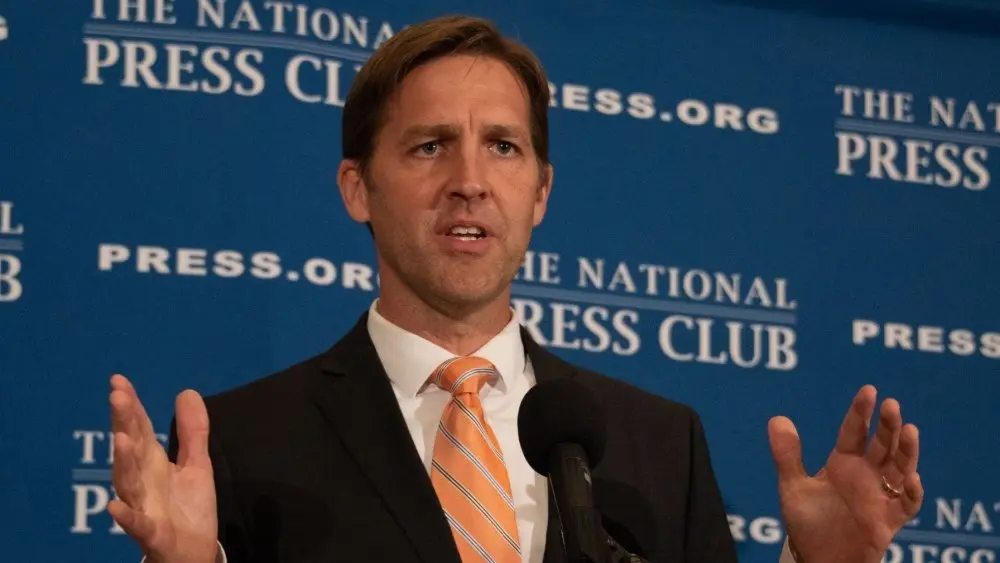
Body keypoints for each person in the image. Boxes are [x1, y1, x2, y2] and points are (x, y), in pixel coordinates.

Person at [107, 14, 924, 563]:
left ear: (540, 193)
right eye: (430, 146)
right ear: (358, 189)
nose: (470, 180)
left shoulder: (659, 446)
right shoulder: (244, 443)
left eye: (502, 146)